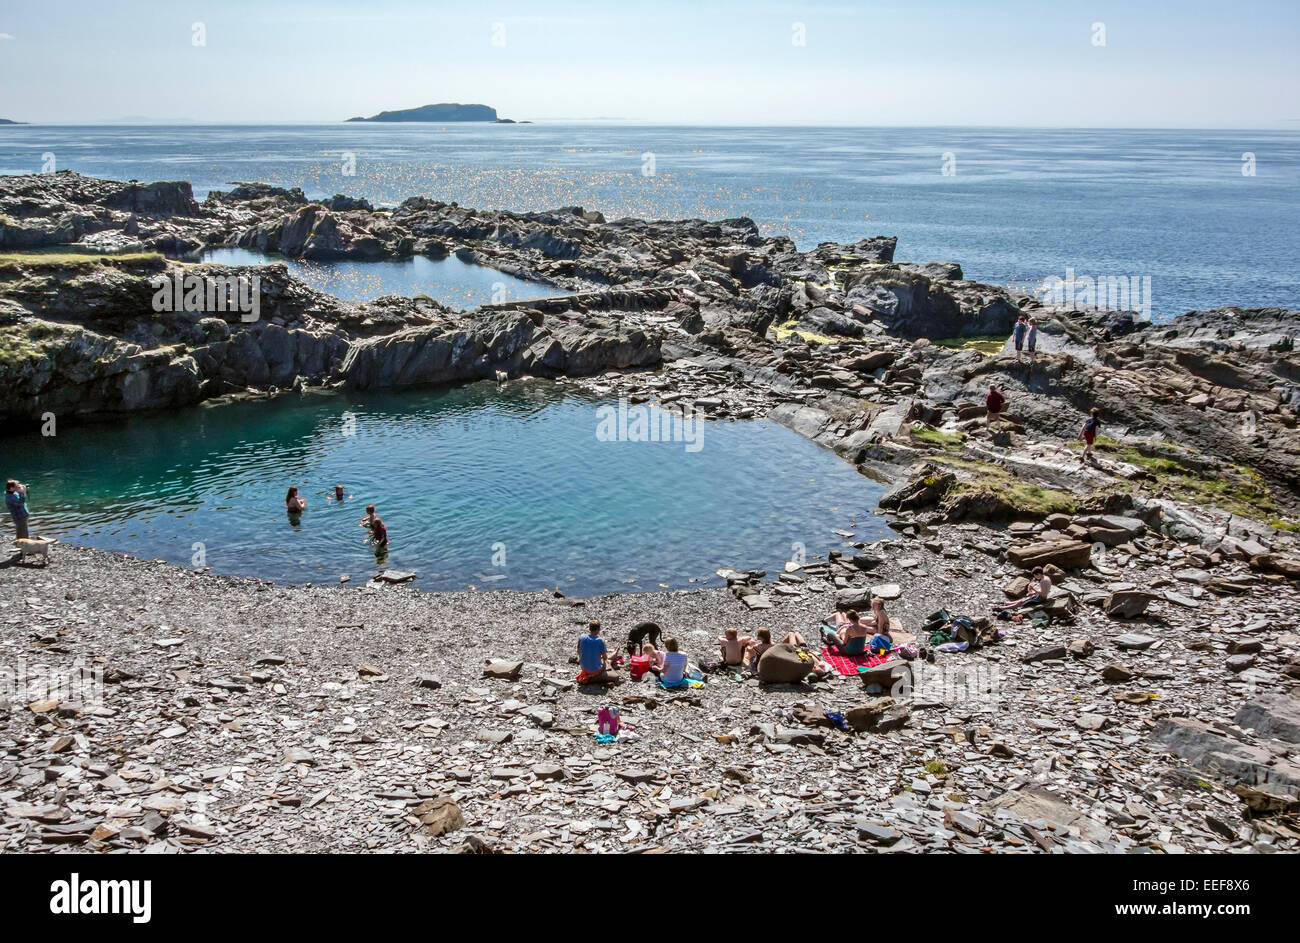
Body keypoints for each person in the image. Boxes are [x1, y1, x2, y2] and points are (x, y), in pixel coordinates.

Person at [577, 620, 619, 685]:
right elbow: (605, 658)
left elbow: (579, 651)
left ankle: (614, 653)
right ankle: (615, 652)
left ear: (590, 628)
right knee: (607, 661)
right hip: (595, 671)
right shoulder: (599, 641)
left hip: (583, 668)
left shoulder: (582, 638)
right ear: (597, 630)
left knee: (598, 657)